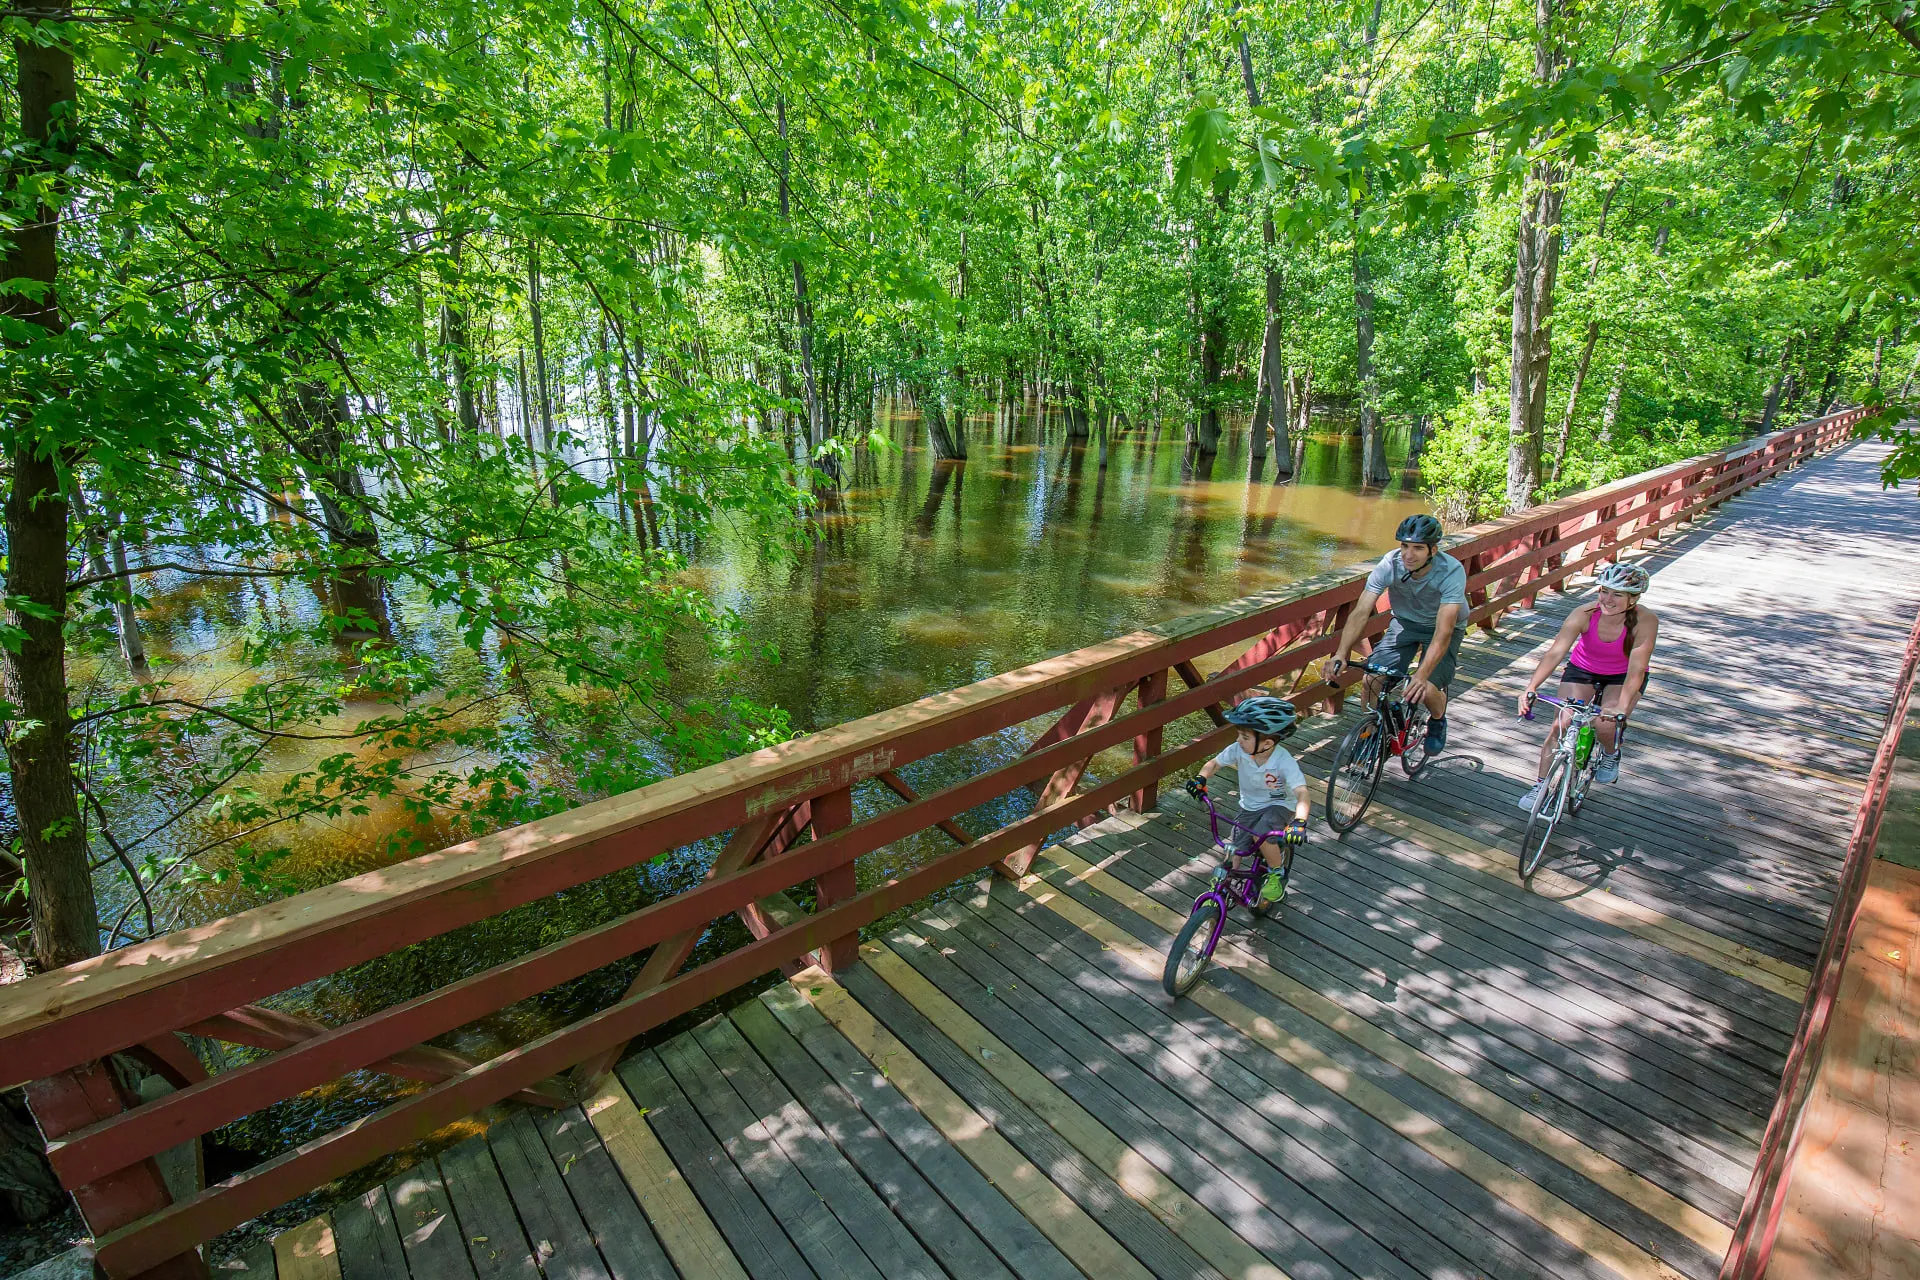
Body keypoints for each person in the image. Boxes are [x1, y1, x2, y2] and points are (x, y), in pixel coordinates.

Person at [1322, 513, 1467, 756]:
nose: (1408, 555)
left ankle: (1438, 718)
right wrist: (1340, 653)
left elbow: (1444, 631)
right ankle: (1373, 730)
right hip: (1405, 623)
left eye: (1418, 548)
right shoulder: (1390, 564)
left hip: (1442, 627)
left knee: (1425, 688)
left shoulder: (1451, 571)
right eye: (1404, 546)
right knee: (1372, 679)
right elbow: (1361, 611)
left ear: (1433, 550)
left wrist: (1420, 676)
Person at [1514, 561, 1658, 808]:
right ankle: (1540, 786)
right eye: (1604, 590)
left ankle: (1611, 753)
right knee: (1561, 724)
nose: (1607, 599)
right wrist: (1531, 687)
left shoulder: (1646, 621)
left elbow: (1636, 670)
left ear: (1633, 599)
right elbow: (1556, 651)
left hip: (1621, 676)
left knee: (1604, 723)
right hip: (1583, 669)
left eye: (1617, 594)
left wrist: (1620, 708)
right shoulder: (1584, 613)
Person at [1192, 696, 1309, 905]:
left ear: (1267, 743)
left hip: (1280, 805)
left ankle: (1276, 873)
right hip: (1250, 805)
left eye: (1245, 736)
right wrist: (1201, 778)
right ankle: (1223, 884)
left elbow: (1301, 793)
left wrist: (1299, 822)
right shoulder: (1239, 750)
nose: (1238, 740)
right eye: (1239, 734)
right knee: (1234, 846)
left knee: (1262, 833)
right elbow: (1215, 764)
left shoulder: (1283, 761)